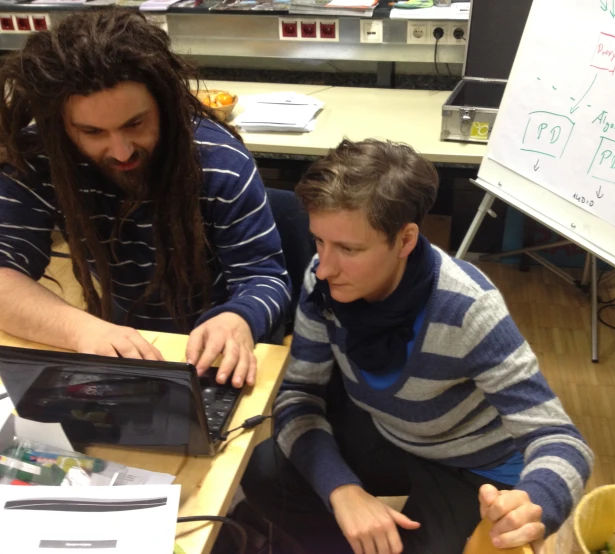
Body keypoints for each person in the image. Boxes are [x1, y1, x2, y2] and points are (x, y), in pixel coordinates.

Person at [240, 139, 593, 554]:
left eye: (350, 249)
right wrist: (343, 491)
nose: (326, 266)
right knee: (264, 471)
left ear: (405, 240)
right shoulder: (325, 280)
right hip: (391, 431)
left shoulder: (467, 308)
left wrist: (534, 504)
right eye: (319, 241)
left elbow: (562, 440)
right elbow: (300, 396)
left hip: (472, 467)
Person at [0, 9, 291, 387]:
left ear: (164, 103)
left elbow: (264, 277)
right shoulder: (41, 159)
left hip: (216, 353)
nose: (122, 151)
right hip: (125, 348)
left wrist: (239, 317)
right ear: (59, 125)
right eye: (92, 132)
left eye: (135, 124)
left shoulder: (218, 162)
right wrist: (82, 331)